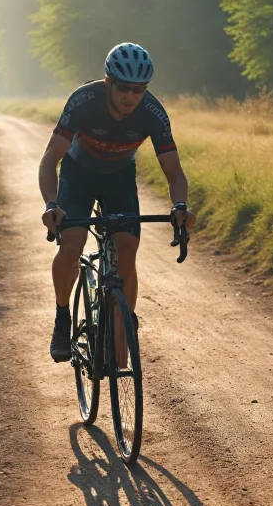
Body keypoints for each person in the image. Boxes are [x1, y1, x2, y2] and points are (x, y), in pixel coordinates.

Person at [38, 42, 196, 362]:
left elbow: (175, 173)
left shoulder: (152, 113)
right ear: (108, 82)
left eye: (139, 90)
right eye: (123, 88)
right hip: (78, 174)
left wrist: (180, 206)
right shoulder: (83, 101)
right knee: (72, 243)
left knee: (127, 248)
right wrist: (50, 203)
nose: (130, 97)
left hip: (119, 178)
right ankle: (62, 316)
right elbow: (49, 159)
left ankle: (122, 325)